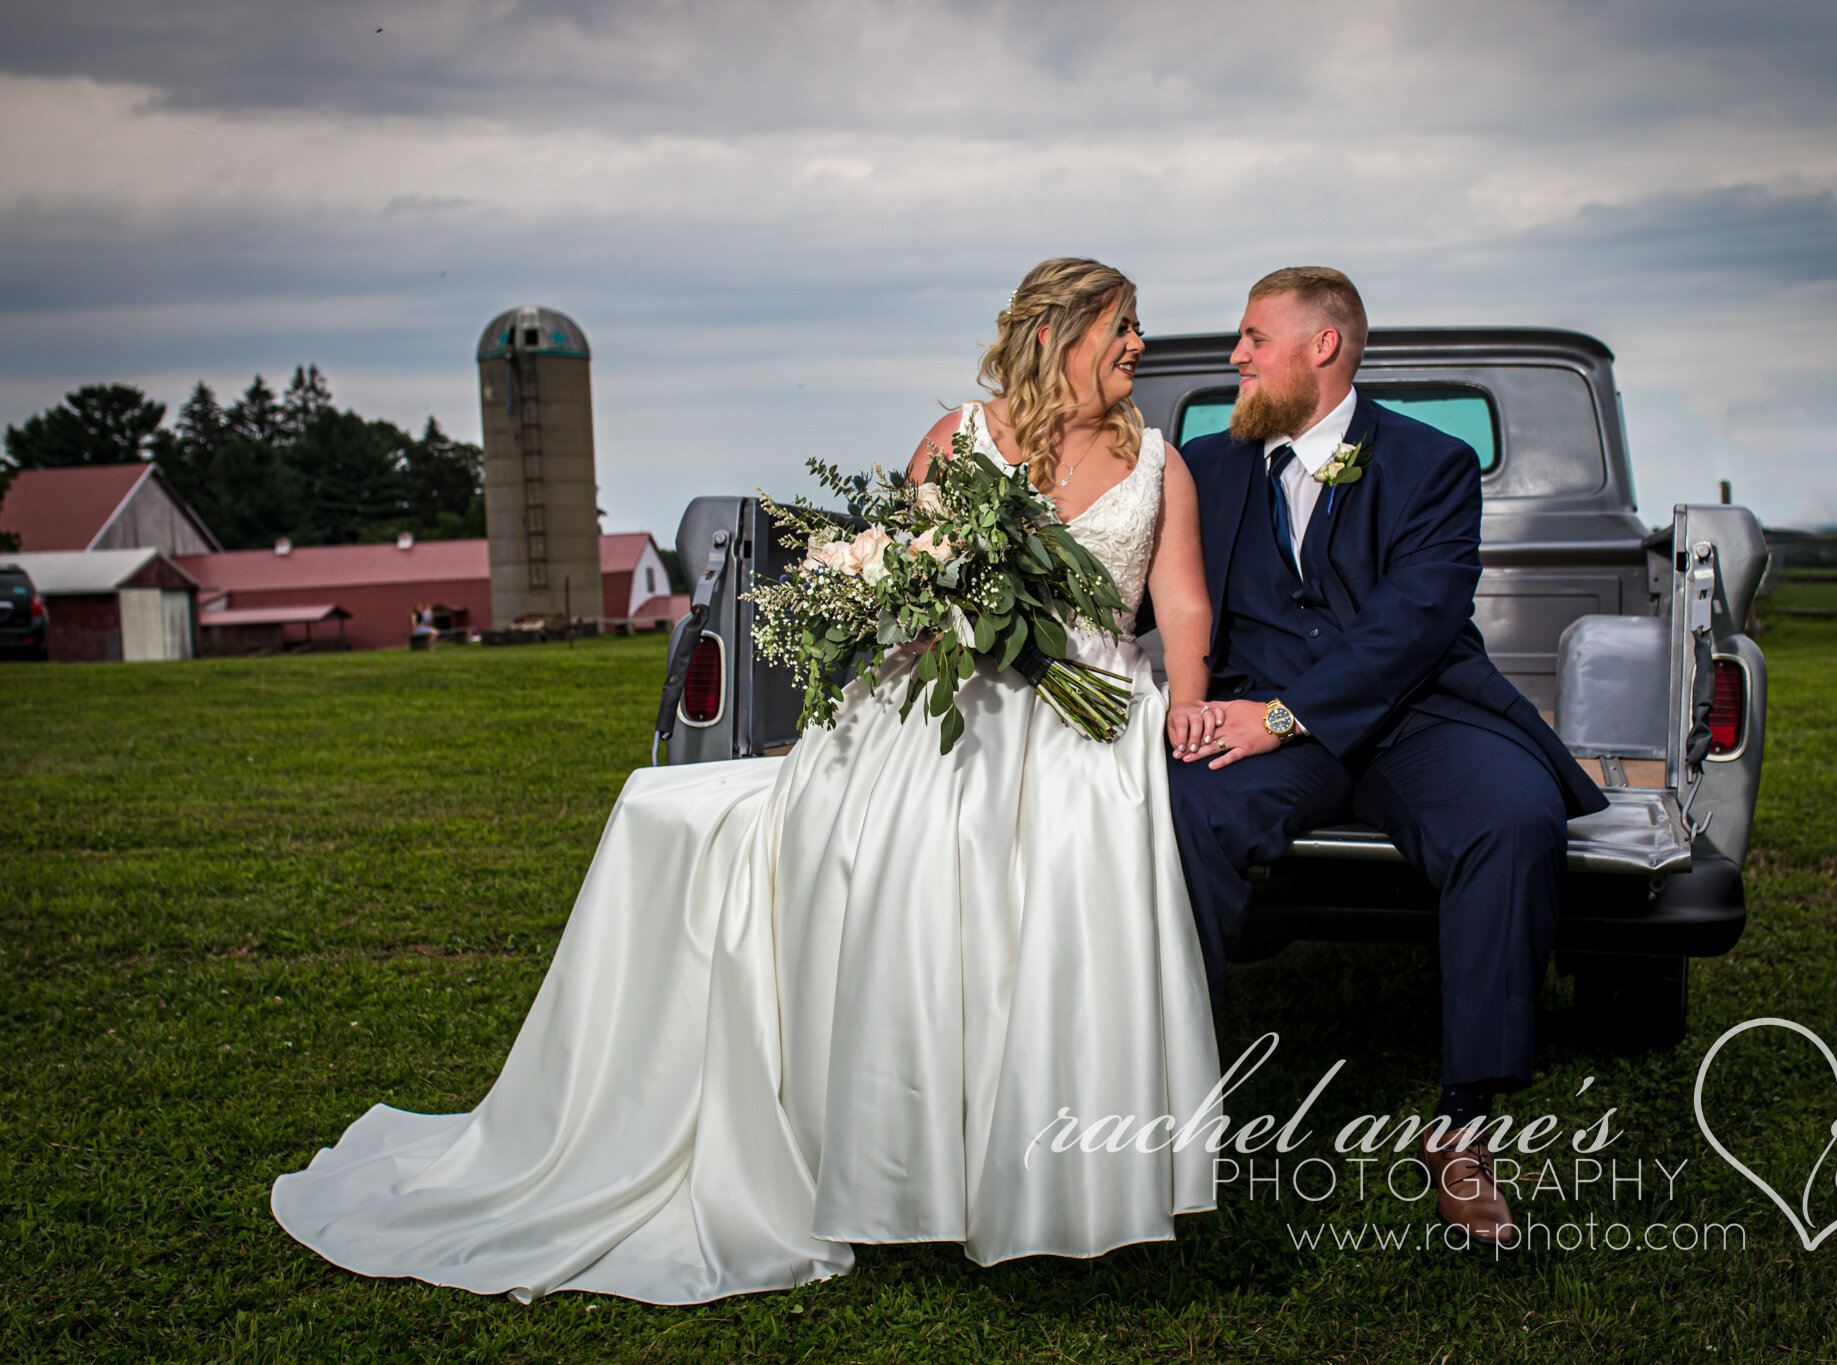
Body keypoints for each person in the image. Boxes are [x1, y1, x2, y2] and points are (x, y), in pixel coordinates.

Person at [271, 258, 1223, 1304]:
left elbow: (1177, 604)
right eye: (1124, 326)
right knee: (904, 865)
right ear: (1059, 334)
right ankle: (914, 1151)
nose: (1138, 343)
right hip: (956, 690)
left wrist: (1187, 692)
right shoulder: (958, 441)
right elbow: (908, 585)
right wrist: (930, 615)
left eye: (1135, 326)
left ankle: (1058, 1160)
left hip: (1092, 697)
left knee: (1061, 876)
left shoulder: (1157, 462)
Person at [1167, 267, 1608, 1249]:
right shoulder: (1203, 464)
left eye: (1251, 337)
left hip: (1419, 715)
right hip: (1260, 721)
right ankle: (1174, 1090)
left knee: (1510, 818)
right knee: (1182, 807)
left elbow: (1414, 624)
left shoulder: (1431, 463)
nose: (1232, 356)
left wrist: (1279, 717)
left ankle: (1463, 1128)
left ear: (1322, 347)